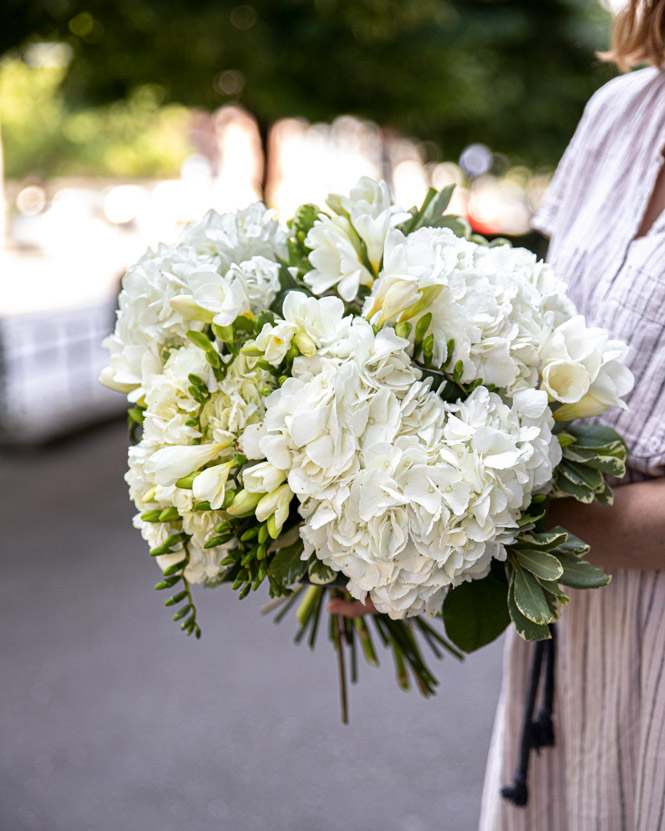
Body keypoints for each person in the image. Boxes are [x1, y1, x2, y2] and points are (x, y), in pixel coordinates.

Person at [330, 2, 665, 828]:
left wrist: (461, 523)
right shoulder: (619, 112)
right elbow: (534, 350)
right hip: (567, 649)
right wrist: (373, 511)